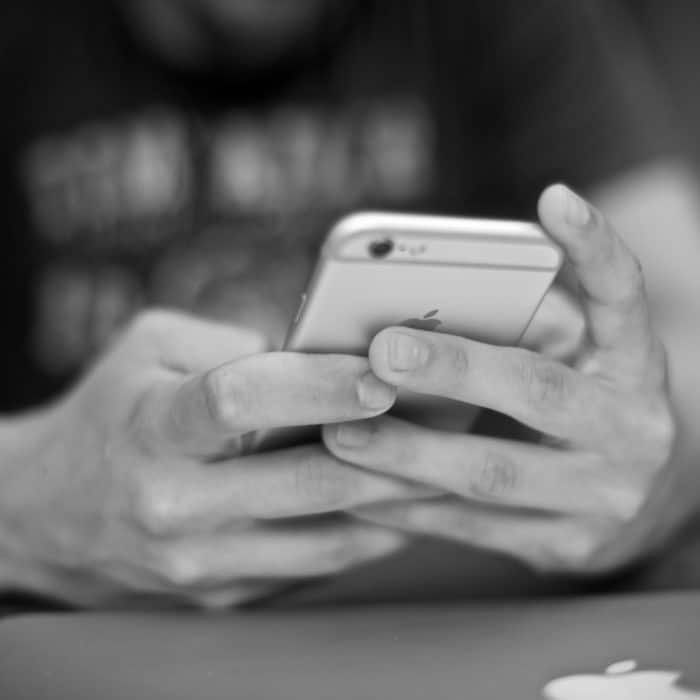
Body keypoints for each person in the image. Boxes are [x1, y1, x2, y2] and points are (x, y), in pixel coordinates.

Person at [0, 0, 699, 611]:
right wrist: (26, 504)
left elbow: (682, 321)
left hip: (447, 615)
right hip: (80, 632)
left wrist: (659, 461)